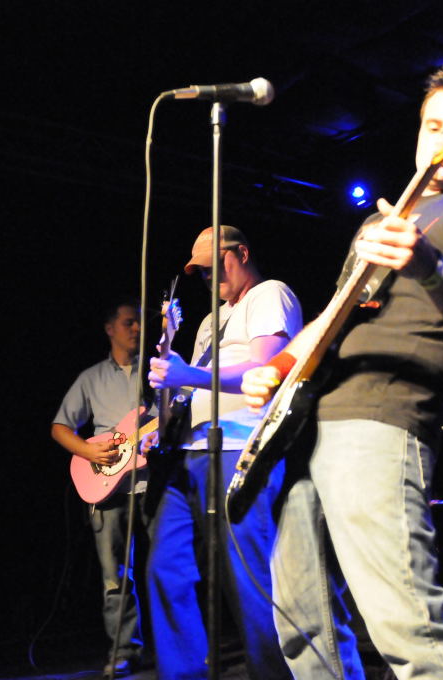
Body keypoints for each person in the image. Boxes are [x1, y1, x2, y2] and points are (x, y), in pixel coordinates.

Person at [241, 63, 443, 679]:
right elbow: (332, 317)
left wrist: (430, 266)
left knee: (409, 626)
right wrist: (280, 366)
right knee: (303, 624)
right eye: (433, 126)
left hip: (380, 421)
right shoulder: (377, 224)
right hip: (309, 422)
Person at [145, 225, 300, 680]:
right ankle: (182, 673)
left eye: (215, 266)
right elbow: (190, 387)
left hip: (240, 445)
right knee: (165, 565)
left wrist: (187, 374)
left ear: (242, 253)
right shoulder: (210, 322)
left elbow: (266, 366)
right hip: (189, 450)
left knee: (245, 573)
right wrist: (161, 423)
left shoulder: (269, 294)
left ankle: (273, 673)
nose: (210, 277)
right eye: (202, 272)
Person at [51, 299, 151, 678]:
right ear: (110, 329)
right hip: (107, 487)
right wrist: (88, 450)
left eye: (139, 322)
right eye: (128, 323)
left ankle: (182, 645)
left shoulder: (155, 372)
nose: (137, 328)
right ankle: (124, 651)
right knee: (115, 578)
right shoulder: (91, 378)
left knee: (169, 568)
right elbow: (60, 427)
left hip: (153, 483)